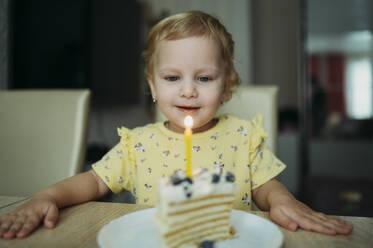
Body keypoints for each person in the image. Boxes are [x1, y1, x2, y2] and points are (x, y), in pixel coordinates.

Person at [0, 11, 352, 240]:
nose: (187, 90)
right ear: (152, 86)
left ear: (227, 86)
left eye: (203, 77)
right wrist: (47, 196)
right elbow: (91, 181)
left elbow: (266, 188)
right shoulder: (136, 145)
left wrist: (283, 200)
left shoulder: (243, 136)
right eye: (171, 77)